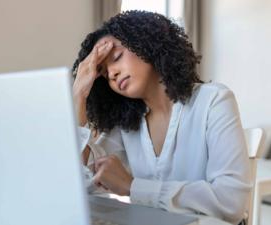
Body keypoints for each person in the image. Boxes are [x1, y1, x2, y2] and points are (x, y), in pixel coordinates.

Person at [72, 10, 251, 225]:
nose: (112, 73)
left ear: (146, 43)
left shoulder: (214, 101)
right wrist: (79, 95)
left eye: (117, 57)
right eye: (103, 73)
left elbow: (230, 202)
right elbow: (79, 184)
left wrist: (133, 186)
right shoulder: (127, 125)